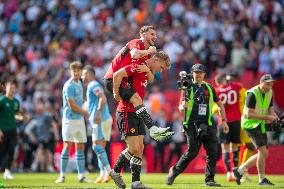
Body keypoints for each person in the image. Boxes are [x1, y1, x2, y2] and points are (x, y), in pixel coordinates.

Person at [110, 51, 172, 189]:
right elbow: (117, 75)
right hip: (127, 111)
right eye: (161, 67)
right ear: (157, 60)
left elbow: (150, 79)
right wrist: (115, 93)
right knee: (134, 148)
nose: (160, 71)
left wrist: (148, 71)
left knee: (140, 148)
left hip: (138, 112)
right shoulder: (137, 65)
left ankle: (136, 182)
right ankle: (115, 171)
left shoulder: (144, 69)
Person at [104, 25, 171, 141]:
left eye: (155, 35)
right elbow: (134, 54)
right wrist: (115, 93)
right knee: (136, 99)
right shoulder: (136, 42)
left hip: (122, 78)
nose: (155, 37)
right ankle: (153, 130)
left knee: (138, 100)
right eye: (152, 34)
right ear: (143, 34)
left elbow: (147, 75)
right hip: (113, 78)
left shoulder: (147, 55)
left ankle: (153, 130)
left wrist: (147, 70)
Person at [166, 64, 229, 187]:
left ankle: (209, 180)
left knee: (213, 152)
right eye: (196, 72)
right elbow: (180, 107)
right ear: (192, 73)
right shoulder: (187, 87)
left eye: (200, 72)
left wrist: (224, 121)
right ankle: (174, 171)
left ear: (204, 74)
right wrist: (182, 107)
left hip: (208, 123)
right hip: (191, 124)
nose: (198, 74)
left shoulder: (210, 88)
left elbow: (220, 104)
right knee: (192, 151)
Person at [233, 74, 279, 186]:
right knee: (263, 152)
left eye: (271, 84)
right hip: (249, 125)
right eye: (267, 84)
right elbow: (249, 114)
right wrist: (268, 118)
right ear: (261, 82)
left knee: (264, 153)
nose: (270, 86)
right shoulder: (252, 93)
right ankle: (262, 179)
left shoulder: (270, 92)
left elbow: (271, 110)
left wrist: (276, 119)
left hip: (259, 124)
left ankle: (240, 170)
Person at [55, 61, 92, 183]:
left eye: (78, 70)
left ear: (81, 71)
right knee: (67, 145)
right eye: (74, 70)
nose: (76, 72)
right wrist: (85, 112)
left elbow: (80, 101)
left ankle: (81, 175)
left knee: (80, 146)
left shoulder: (80, 84)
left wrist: (85, 106)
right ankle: (62, 175)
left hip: (79, 120)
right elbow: (71, 105)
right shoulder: (68, 85)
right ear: (71, 71)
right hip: (69, 119)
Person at [81, 66, 113, 183]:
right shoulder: (93, 85)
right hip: (104, 119)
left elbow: (103, 98)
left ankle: (110, 172)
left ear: (89, 74)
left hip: (101, 119)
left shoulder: (93, 85)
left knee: (96, 147)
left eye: (83, 74)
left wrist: (98, 113)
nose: (82, 77)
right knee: (101, 149)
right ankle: (102, 173)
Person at [215, 74, 243, 181]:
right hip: (236, 120)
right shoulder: (235, 86)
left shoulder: (217, 90)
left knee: (225, 148)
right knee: (235, 147)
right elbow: (241, 88)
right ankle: (236, 172)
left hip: (223, 121)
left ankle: (228, 173)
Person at [0, 80, 28, 179]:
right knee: (2, 151)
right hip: (2, 130)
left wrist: (22, 118)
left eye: (13, 88)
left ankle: (7, 171)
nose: (12, 90)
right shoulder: (2, 100)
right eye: (10, 88)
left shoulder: (16, 102)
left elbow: (15, 114)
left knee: (11, 150)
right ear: (5, 88)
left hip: (12, 129)